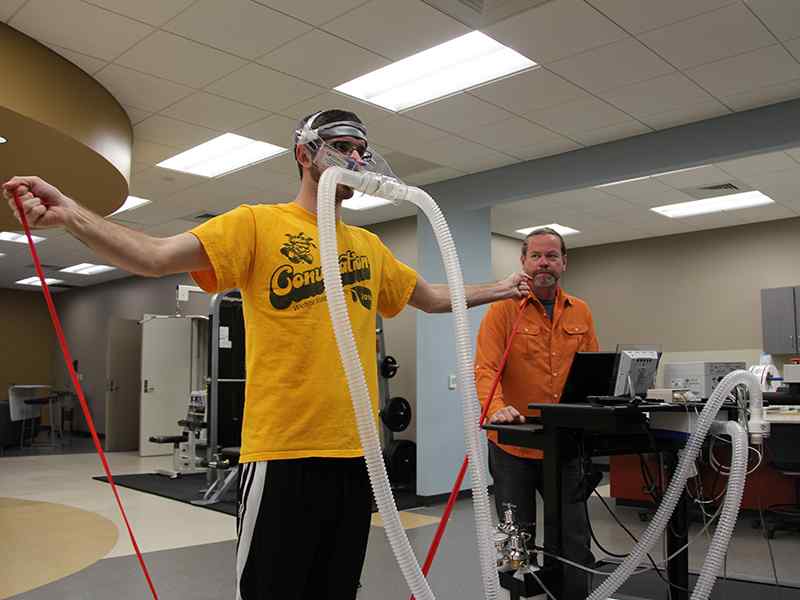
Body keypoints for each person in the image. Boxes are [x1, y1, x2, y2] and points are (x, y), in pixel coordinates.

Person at [4, 109, 532, 600]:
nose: (354, 161)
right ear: (305, 154)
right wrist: (72, 213)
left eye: (360, 151)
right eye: (341, 147)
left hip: (356, 457)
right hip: (283, 453)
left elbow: (431, 297)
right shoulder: (256, 224)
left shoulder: (369, 248)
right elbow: (154, 255)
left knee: (336, 589)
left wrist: (503, 287)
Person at [474, 227, 599, 599]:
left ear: (564, 263)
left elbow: (592, 372)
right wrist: (496, 410)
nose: (544, 263)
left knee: (574, 535)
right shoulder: (502, 311)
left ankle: (572, 594)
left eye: (552, 256)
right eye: (536, 256)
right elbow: (485, 369)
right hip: (514, 447)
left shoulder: (581, 311)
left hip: (565, 445)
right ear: (524, 262)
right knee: (517, 540)